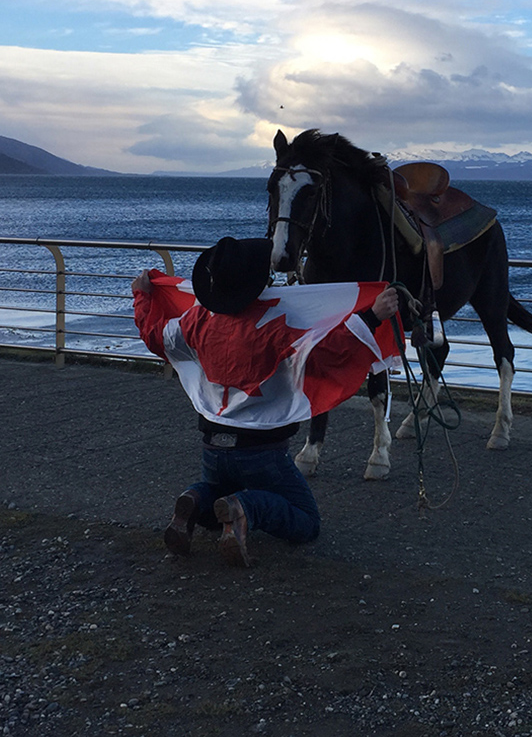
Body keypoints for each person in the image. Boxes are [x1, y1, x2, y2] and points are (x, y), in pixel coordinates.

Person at [132, 236, 400, 567]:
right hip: (262, 452)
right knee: (306, 521)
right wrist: (372, 316)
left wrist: (142, 295)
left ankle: (195, 499)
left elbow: (154, 334)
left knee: (218, 500)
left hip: (213, 448)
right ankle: (246, 508)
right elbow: (328, 351)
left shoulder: (195, 320)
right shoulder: (279, 325)